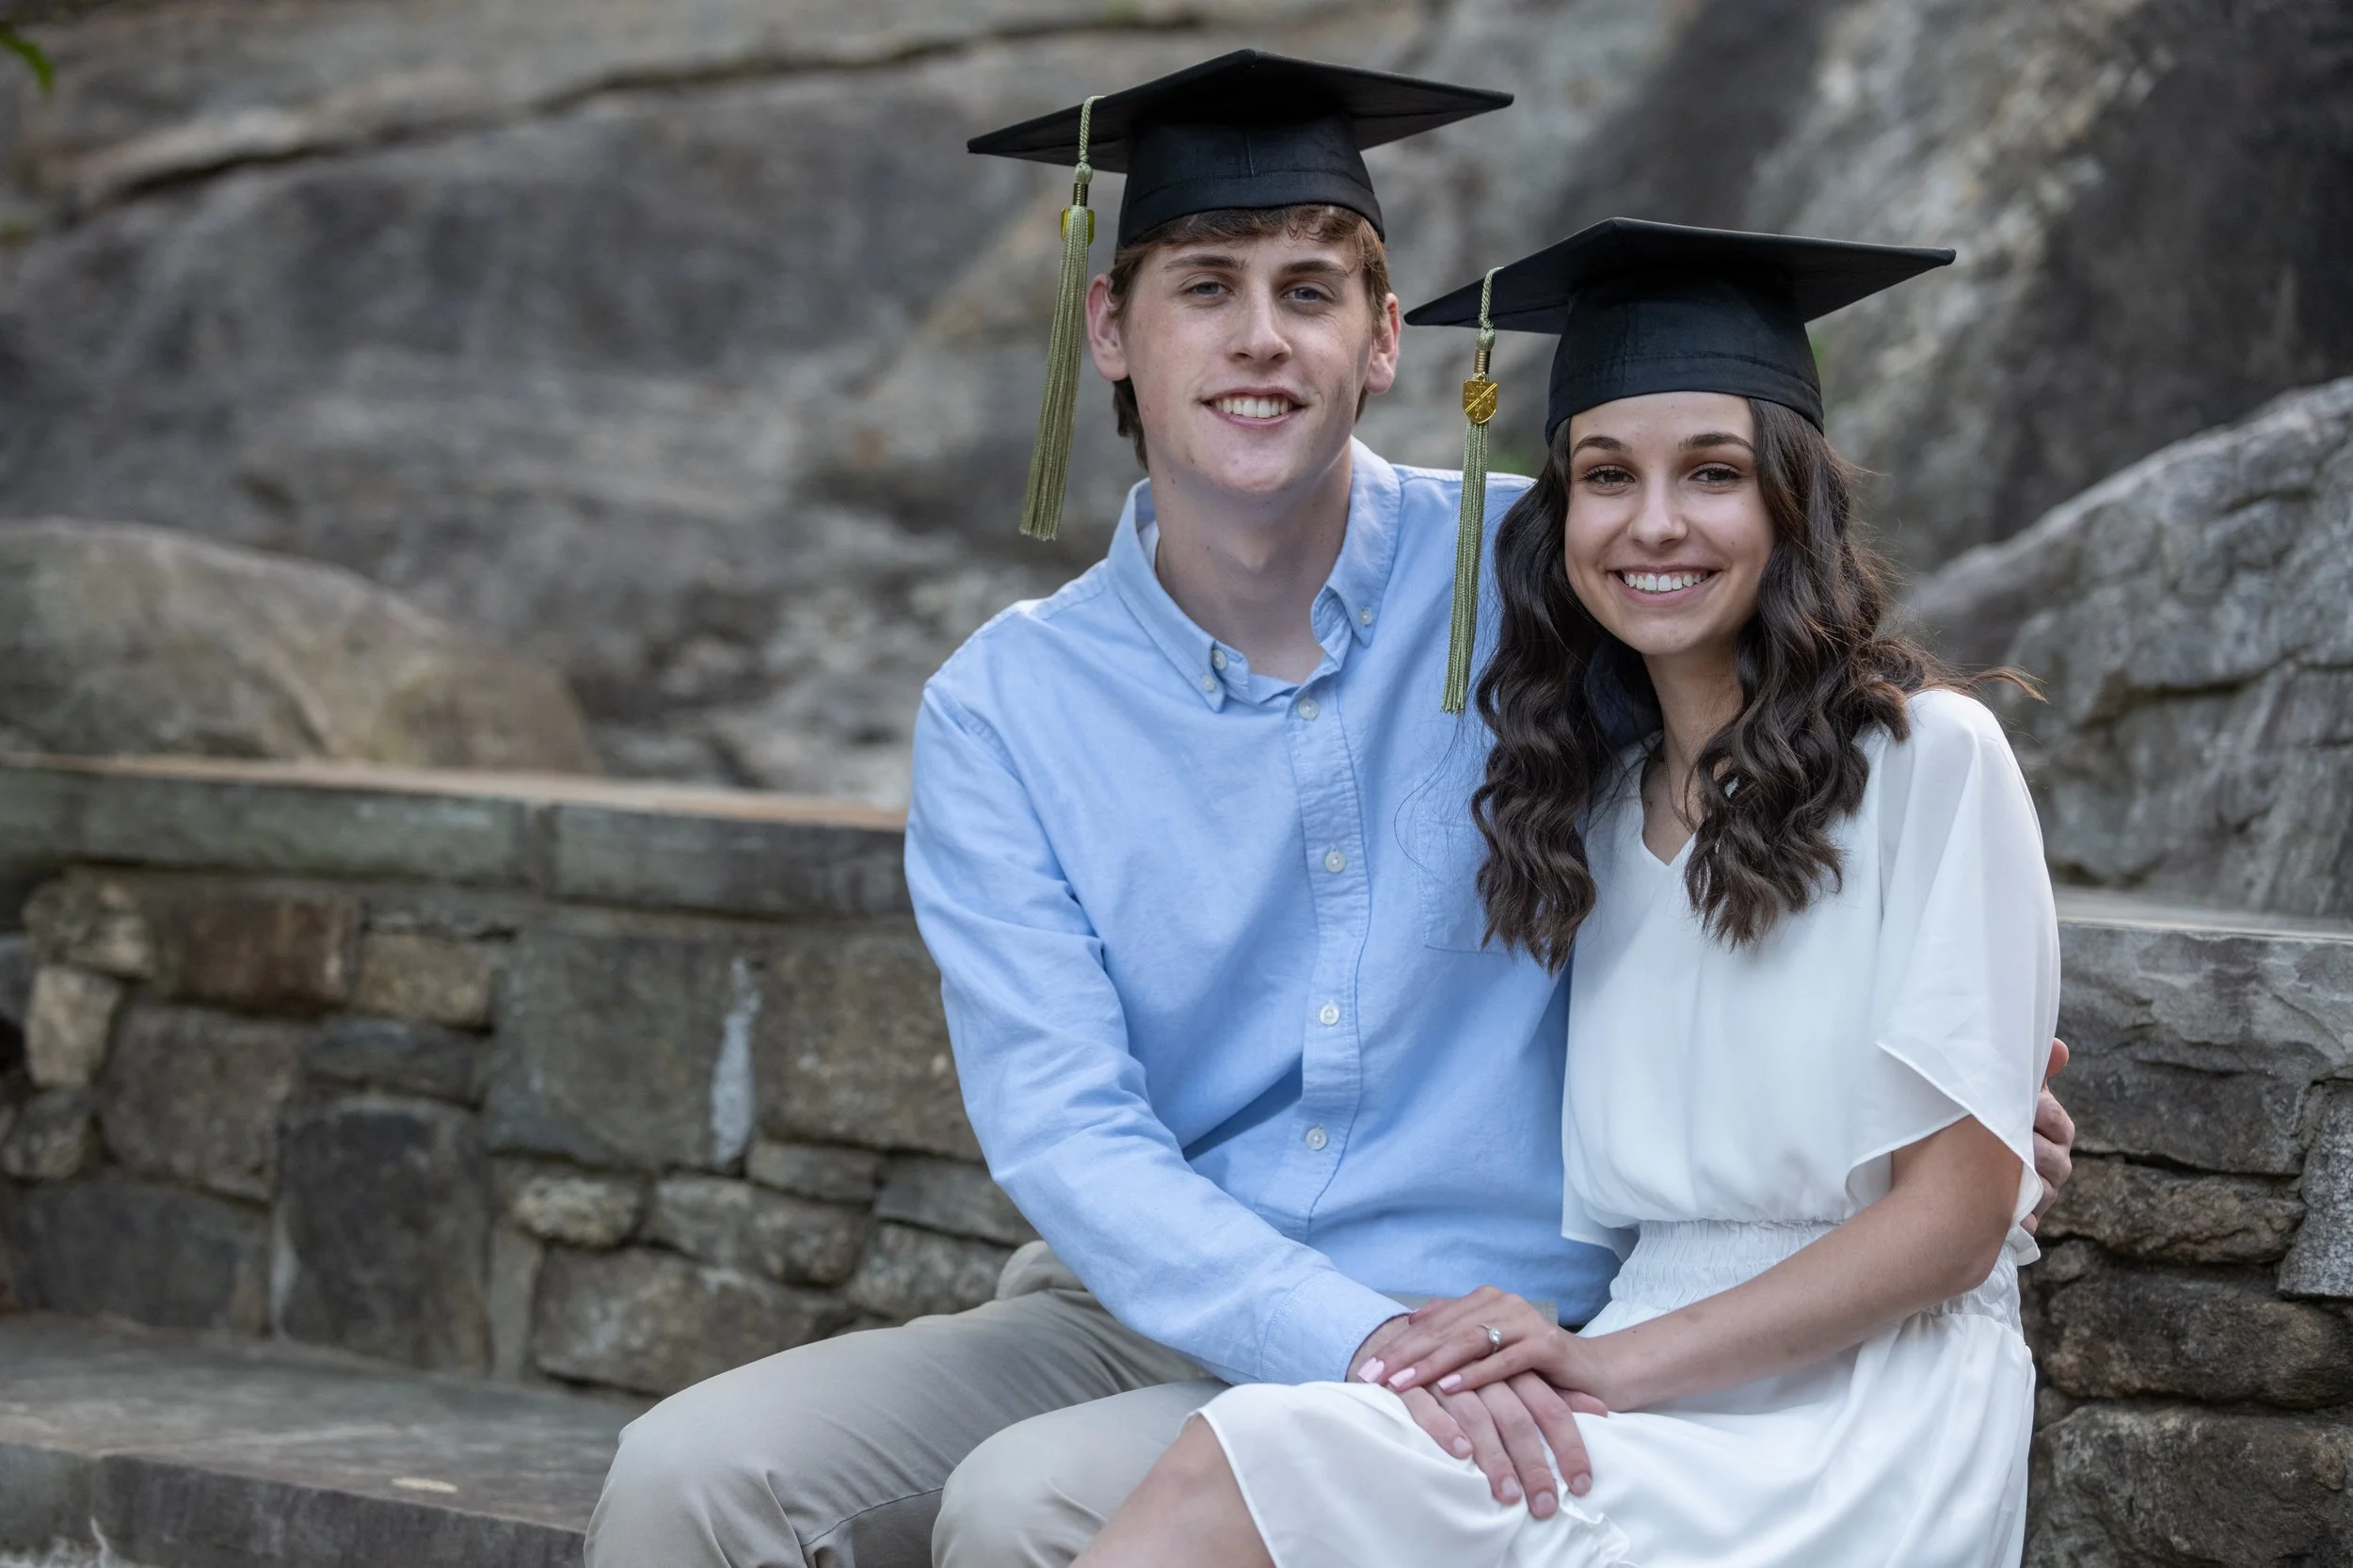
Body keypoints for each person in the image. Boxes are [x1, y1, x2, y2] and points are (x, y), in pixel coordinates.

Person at [584, 57, 2076, 1567]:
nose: (1258, 339)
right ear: (1110, 328)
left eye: (1309, 291)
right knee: (684, 1473)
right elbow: (1069, 1130)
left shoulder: (1552, 583)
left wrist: (1939, 1102)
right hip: (1141, 1300)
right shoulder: (1007, 710)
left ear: (1380, 340)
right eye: (1206, 287)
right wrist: (1354, 1336)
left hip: (1502, 1309)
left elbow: (1797, 762)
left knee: (1028, 1500)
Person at [1073, 218, 2059, 1568]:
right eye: (1607, 476)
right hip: (1638, 1363)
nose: (1654, 522)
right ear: (1562, 517)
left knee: (1249, 1467)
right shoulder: (1586, 810)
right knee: (1247, 1461)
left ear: (1790, 499)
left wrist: (1600, 1370)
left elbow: (1950, 1226)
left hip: (1852, 1416)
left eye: (1711, 473)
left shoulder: (1931, 762)